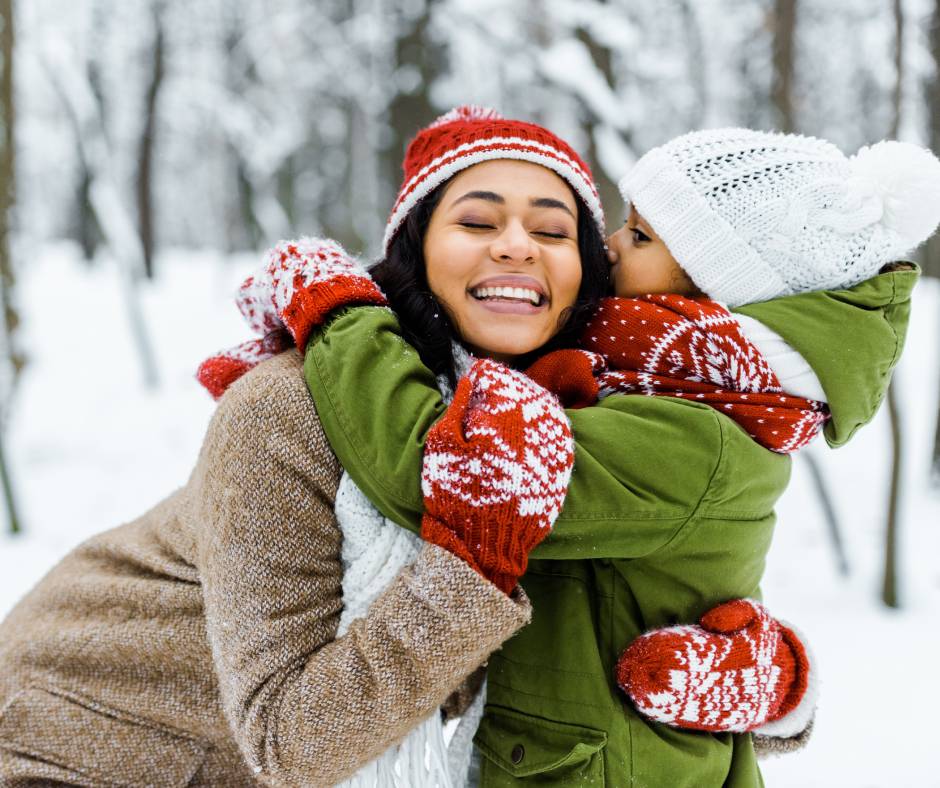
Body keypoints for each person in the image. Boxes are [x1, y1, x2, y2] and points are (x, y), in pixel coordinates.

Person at [300, 116, 923, 784]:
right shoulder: (659, 383)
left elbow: (443, 482)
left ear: (709, 283)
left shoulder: (695, 430)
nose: (611, 247)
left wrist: (340, 316)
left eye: (640, 235)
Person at [0, 111, 610, 788]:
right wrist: (473, 562)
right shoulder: (286, 409)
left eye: (553, 230)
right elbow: (292, 743)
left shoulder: (565, 419)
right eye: (476, 222)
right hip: (81, 746)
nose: (518, 246)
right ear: (416, 250)